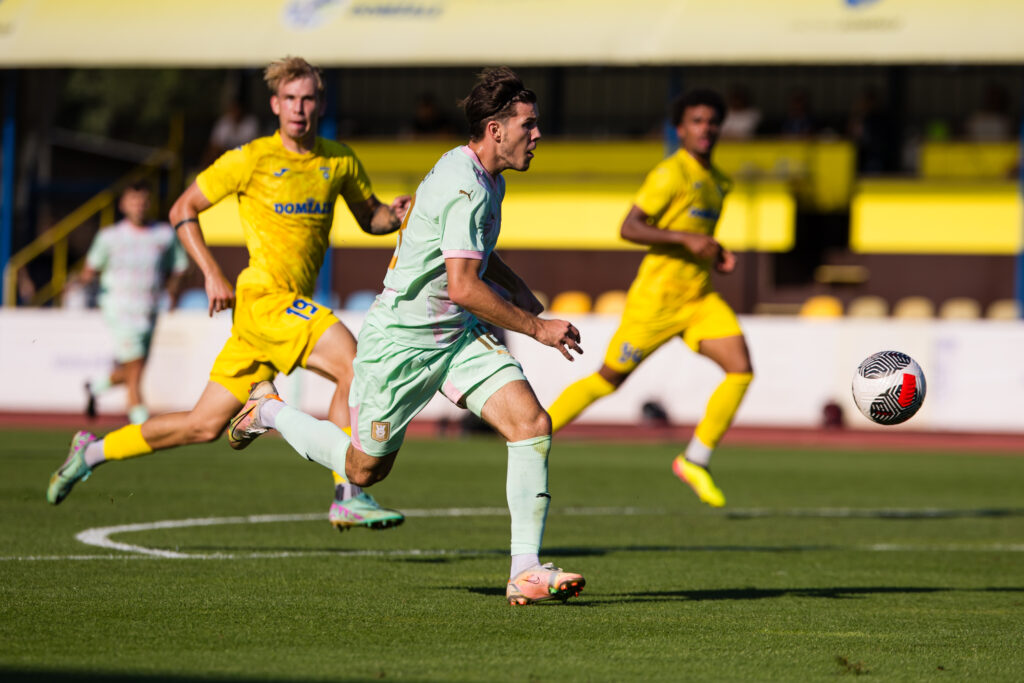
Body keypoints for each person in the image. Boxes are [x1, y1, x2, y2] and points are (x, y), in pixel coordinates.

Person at [226, 67, 586, 606]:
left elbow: (477, 255)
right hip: (401, 345)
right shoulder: (464, 185)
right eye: (528, 126)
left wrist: (520, 290)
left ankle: (525, 569)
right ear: (495, 130)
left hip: (456, 341)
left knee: (531, 424)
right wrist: (536, 327)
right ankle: (268, 411)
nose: (537, 135)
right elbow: (464, 286)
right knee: (362, 470)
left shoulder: (489, 177)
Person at [48, 57, 411, 534]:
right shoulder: (251, 158)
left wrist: (395, 214)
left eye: (308, 99)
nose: (300, 108)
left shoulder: (338, 159)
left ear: (319, 103)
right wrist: (211, 273)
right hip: (264, 299)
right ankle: (348, 491)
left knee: (201, 425)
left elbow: (371, 219)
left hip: (266, 321)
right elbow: (183, 209)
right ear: (275, 104)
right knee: (353, 363)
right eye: (291, 100)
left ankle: (90, 452)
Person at [546, 89, 754, 509]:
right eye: (696, 121)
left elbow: (694, 238)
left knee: (741, 370)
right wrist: (686, 239)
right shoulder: (670, 174)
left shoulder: (720, 181)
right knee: (610, 379)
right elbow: (630, 227)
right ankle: (535, 430)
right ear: (680, 129)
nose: (706, 129)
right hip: (656, 301)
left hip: (698, 298)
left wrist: (714, 251)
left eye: (712, 121)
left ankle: (695, 459)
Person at [81, 181, 189, 425]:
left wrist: (172, 293)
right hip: (119, 310)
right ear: (123, 205)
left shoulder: (163, 235)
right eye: (133, 201)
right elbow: (91, 268)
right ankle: (140, 425)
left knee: (135, 368)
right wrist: (82, 281)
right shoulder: (109, 237)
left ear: (149, 204)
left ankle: (96, 388)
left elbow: (180, 268)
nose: (139, 206)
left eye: (143, 201)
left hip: (149, 310)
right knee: (136, 371)